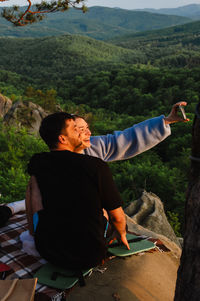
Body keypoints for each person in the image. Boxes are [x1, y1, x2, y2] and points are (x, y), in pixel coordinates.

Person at [0, 101, 189, 222]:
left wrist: (166, 121)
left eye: (87, 128)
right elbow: (38, 197)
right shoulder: (49, 163)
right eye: (79, 129)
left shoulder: (93, 149)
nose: (88, 133)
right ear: (63, 137)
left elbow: (126, 138)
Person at [26, 112, 129, 269]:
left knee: (34, 186)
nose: (81, 132)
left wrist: (35, 233)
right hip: (90, 256)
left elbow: (36, 204)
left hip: (48, 251)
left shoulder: (38, 161)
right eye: (75, 129)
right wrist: (121, 233)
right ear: (62, 139)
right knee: (102, 208)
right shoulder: (96, 166)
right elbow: (118, 217)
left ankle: (32, 233)